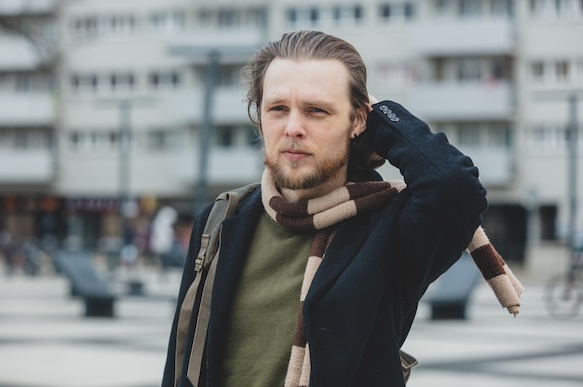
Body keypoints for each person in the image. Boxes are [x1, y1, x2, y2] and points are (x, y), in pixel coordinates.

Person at [161, 30, 488, 387]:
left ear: (358, 121)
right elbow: (182, 358)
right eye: (277, 109)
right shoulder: (222, 220)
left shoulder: (387, 228)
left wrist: (382, 116)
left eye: (316, 110)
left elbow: (454, 188)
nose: (293, 128)